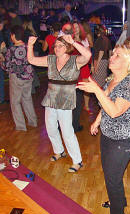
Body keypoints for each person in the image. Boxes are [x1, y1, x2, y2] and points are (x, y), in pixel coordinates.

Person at [77, 45, 130, 214]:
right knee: (111, 174)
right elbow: (106, 104)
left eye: (117, 55)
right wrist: (97, 122)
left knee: (112, 179)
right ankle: (118, 202)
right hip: (108, 133)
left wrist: (96, 90)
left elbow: (114, 111)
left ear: (128, 62)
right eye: (112, 54)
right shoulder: (111, 78)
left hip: (125, 138)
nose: (111, 57)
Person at [27, 34, 91, 172]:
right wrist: (30, 45)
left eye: (60, 45)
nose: (57, 48)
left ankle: (77, 161)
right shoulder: (50, 59)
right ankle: (59, 151)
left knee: (67, 131)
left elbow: (87, 55)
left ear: (67, 47)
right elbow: (31, 59)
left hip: (66, 99)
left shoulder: (75, 60)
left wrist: (73, 42)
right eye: (55, 45)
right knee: (50, 128)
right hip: (51, 98)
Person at [2, 25, 37, 131]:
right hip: (28, 77)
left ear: (13, 36)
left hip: (17, 78)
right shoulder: (28, 46)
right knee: (27, 98)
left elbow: (6, 66)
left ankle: (21, 126)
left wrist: (1, 61)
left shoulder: (11, 49)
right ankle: (33, 121)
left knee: (15, 101)